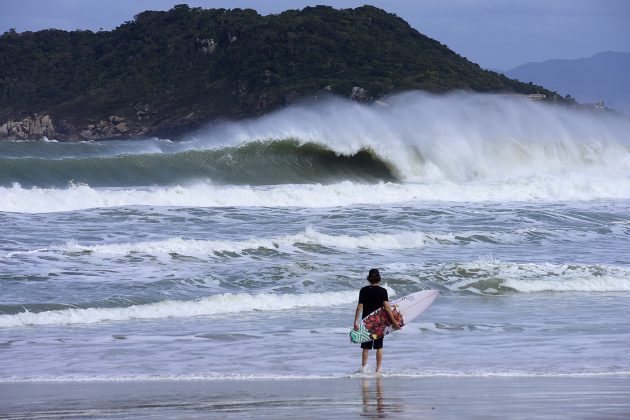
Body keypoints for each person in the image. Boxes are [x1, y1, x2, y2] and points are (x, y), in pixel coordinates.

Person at [353, 268, 400, 374]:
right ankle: (378, 369)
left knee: (365, 347)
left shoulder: (364, 290)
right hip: (379, 323)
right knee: (379, 346)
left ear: (369, 279)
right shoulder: (383, 291)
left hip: (367, 323)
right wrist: (394, 322)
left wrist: (356, 321)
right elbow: (387, 308)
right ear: (379, 279)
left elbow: (360, 306)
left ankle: (364, 369)